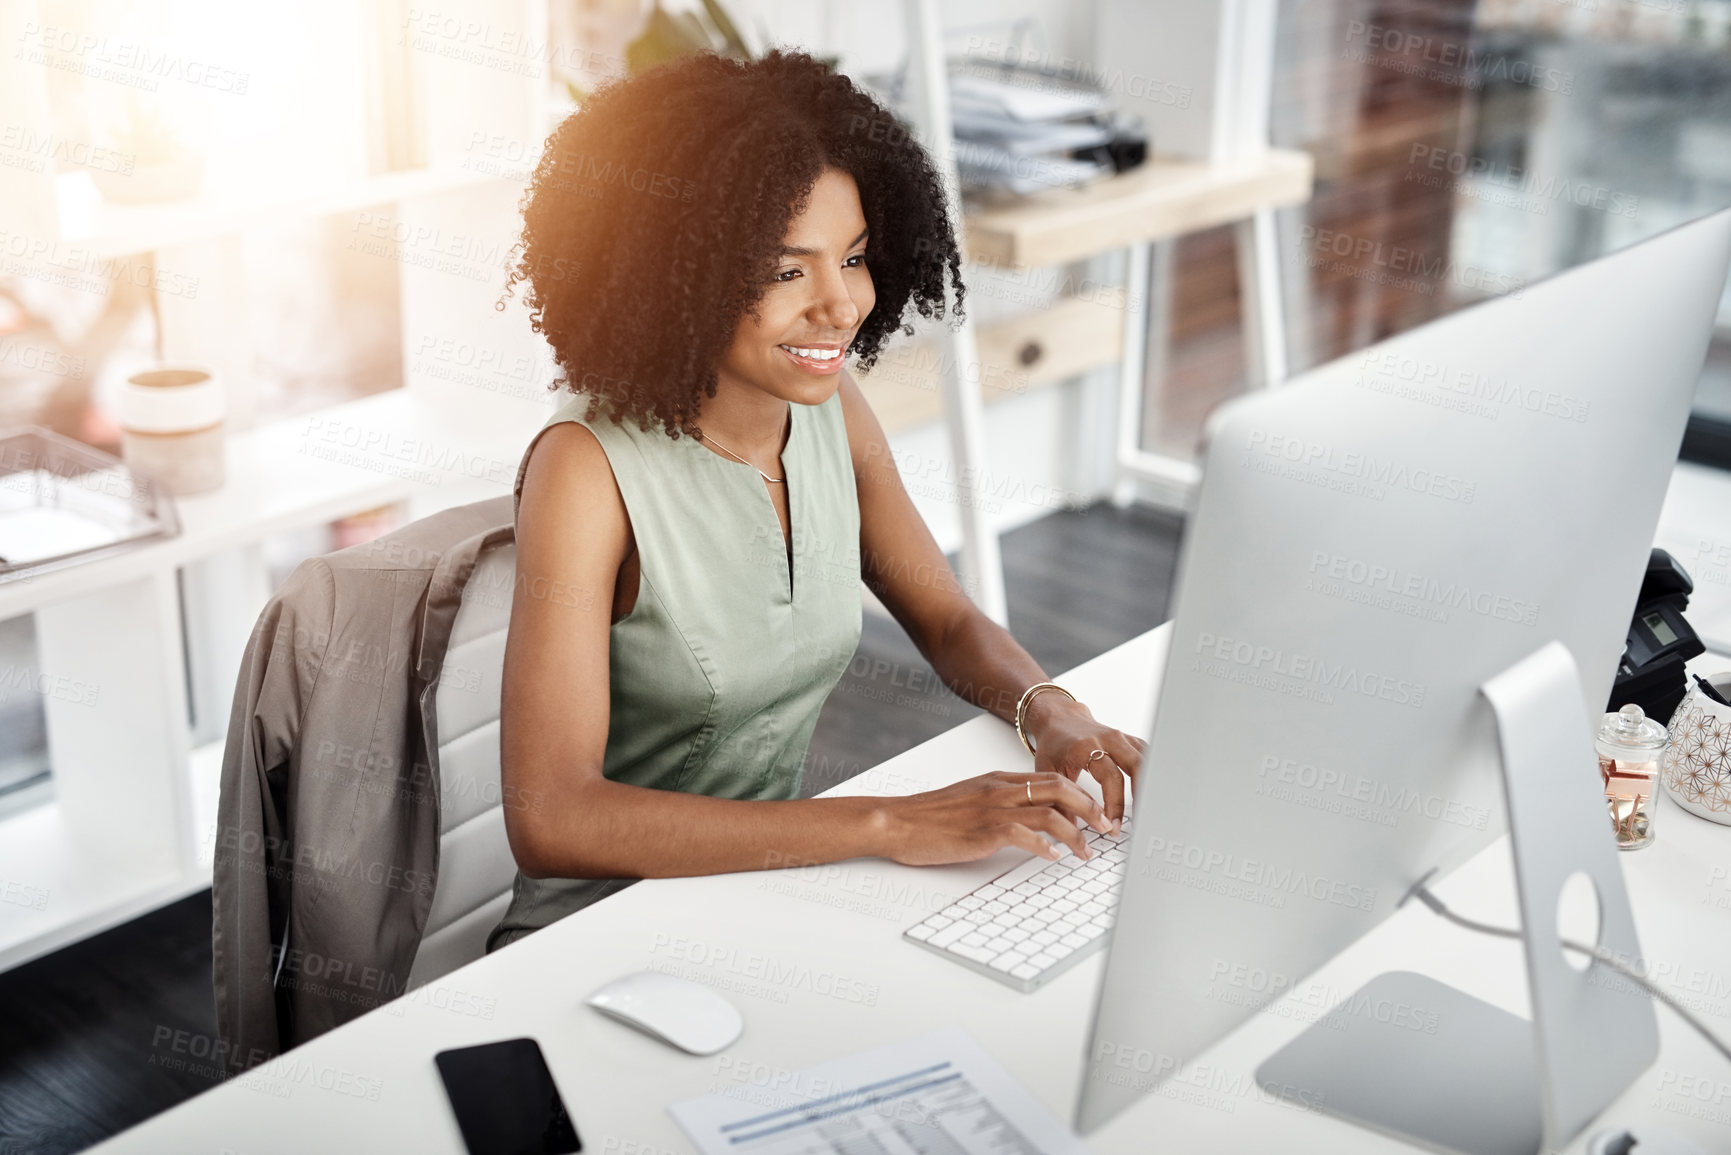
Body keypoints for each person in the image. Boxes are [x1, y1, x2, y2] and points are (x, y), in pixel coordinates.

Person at [488, 49, 1145, 951]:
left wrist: (1052, 710)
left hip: (759, 900)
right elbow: (554, 817)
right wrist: (892, 823)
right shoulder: (586, 468)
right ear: (673, 270)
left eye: (856, 258)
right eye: (786, 270)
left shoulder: (833, 410)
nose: (841, 306)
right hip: (596, 941)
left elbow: (947, 620)